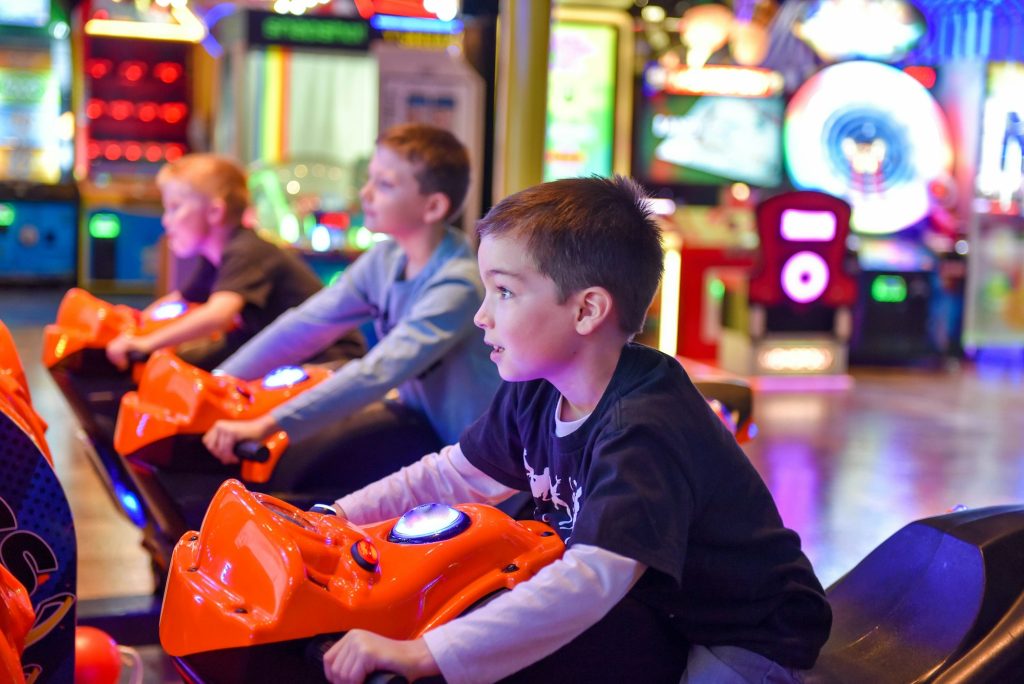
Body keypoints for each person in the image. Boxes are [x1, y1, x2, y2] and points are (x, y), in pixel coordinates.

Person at [319, 176, 832, 684]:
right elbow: (449, 476)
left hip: (741, 634)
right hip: (653, 606)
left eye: (504, 292)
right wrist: (331, 520)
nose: (481, 316)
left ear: (587, 309)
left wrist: (425, 653)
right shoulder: (538, 387)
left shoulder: (643, 424)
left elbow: (591, 580)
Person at [200, 124, 501, 477]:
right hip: (423, 432)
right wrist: (218, 382)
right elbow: (306, 325)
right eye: (369, 179)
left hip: (477, 466)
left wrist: (266, 425)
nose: (366, 194)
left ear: (433, 206)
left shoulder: (457, 283)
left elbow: (378, 372)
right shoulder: (385, 259)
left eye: (384, 184)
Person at [105, 153, 364, 372]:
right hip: (272, 346)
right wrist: (134, 327)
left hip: (328, 357)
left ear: (215, 212)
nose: (166, 220)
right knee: (177, 367)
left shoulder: (247, 251)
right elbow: (180, 301)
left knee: (195, 378)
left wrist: (147, 342)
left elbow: (217, 315)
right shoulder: (216, 257)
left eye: (175, 208)